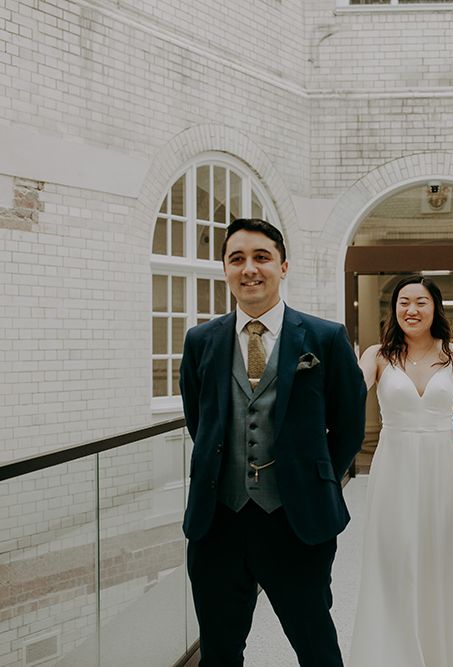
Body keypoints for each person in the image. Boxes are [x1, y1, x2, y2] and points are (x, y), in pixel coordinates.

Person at [179, 218, 367, 667]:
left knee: (315, 644)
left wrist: (312, 476)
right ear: (225, 269)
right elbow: (198, 419)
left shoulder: (325, 337)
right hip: (217, 523)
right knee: (220, 651)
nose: (249, 269)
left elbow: (349, 425)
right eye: (236, 258)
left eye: (261, 257)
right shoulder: (201, 341)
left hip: (296, 522)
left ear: (283, 266)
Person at [349, 275, 453, 667]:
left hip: (441, 469)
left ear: (435, 308)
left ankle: (444, 652)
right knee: (395, 558)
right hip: (393, 468)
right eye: (403, 302)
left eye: (421, 302)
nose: (411, 309)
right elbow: (346, 394)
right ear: (394, 310)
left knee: (443, 558)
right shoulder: (377, 355)